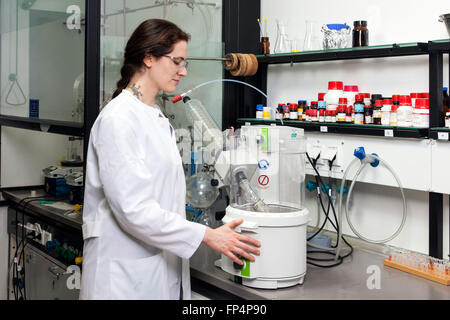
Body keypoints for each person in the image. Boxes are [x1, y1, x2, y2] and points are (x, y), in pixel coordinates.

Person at [80, 19, 260, 300]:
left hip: (154, 266)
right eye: (177, 61)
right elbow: (134, 210)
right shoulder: (118, 119)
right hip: (123, 277)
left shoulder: (156, 117)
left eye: (184, 62)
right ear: (149, 58)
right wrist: (206, 235)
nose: (183, 71)